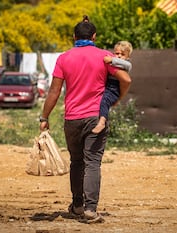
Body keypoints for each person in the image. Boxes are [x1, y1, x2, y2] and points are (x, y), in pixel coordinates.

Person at [39, 16, 131, 223]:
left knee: (77, 162)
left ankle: (77, 205)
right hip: (94, 117)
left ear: (74, 36)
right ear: (94, 36)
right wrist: (116, 100)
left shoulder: (63, 58)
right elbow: (125, 78)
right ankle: (90, 210)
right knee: (92, 163)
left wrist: (44, 117)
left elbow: (54, 92)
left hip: (72, 118)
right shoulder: (104, 56)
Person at [92, 41, 133, 134]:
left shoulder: (126, 64)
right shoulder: (113, 64)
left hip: (114, 88)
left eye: (122, 54)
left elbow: (127, 65)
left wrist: (112, 60)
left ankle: (102, 122)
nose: (118, 56)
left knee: (105, 101)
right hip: (107, 86)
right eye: (117, 53)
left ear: (128, 57)